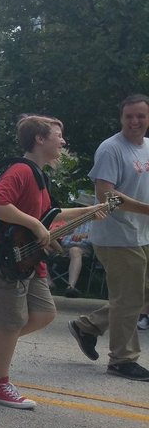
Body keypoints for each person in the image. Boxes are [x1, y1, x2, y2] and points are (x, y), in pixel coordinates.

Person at [0, 115, 105, 407]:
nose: (63, 141)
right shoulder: (21, 171)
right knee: (12, 321)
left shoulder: (39, 176)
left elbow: (51, 215)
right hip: (2, 258)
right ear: (40, 139)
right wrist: (37, 227)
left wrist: (92, 210)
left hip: (26, 258)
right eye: (58, 135)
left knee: (43, 313)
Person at [69, 94, 149, 381]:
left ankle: (88, 326)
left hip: (142, 234)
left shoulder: (148, 148)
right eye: (129, 116)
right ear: (121, 118)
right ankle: (122, 359)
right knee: (129, 298)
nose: (135, 121)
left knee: (141, 293)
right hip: (116, 235)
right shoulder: (111, 149)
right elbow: (106, 196)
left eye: (140, 116)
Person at [60, 221, 93, 298]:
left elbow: (99, 236)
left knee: (74, 250)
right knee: (41, 246)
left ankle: (71, 287)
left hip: (83, 248)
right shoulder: (73, 220)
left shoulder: (95, 223)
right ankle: (49, 284)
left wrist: (85, 235)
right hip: (62, 248)